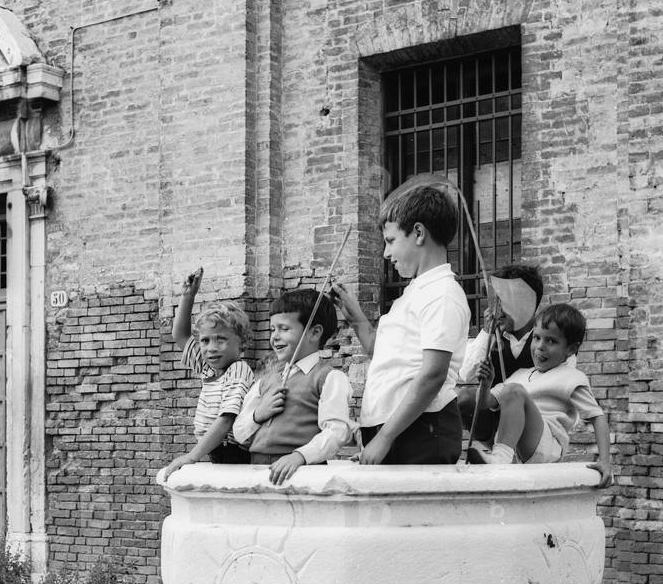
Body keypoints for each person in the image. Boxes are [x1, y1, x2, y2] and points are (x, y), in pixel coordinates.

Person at [330, 181, 469, 465]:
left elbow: (433, 375)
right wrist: (354, 314)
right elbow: (379, 352)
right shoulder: (413, 293)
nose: (385, 253)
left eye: (391, 240)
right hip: (397, 429)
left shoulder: (441, 293)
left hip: (421, 429)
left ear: (418, 233)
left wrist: (385, 437)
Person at [466, 302, 612, 486]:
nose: (540, 347)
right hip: (522, 446)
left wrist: (605, 461)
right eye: (536, 338)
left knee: (514, 392)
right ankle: (501, 456)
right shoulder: (520, 376)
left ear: (571, 349)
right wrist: (486, 385)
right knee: (505, 392)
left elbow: (597, 416)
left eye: (551, 341)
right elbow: (486, 403)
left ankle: (500, 458)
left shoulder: (572, 377)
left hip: (547, 445)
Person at [233, 288, 353, 485]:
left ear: (314, 333)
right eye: (273, 329)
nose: (275, 337)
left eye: (284, 329)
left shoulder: (329, 377)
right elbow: (239, 432)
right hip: (258, 471)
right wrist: (258, 415)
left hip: (301, 475)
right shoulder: (265, 381)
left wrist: (299, 456)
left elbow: (337, 431)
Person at [160, 268, 254, 481]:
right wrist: (187, 296)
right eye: (205, 340)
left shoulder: (238, 370)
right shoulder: (208, 368)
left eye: (221, 339)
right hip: (216, 450)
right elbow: (180, 336)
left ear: (242, 344)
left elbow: (226, 420)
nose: (211, 347)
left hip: (234, 452)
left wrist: (191, 457)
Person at [458, 264, 544, 444]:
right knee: (465, 398)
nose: (495, 309)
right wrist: (487, 332)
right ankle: (494, 447)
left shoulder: (545, 337)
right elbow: (467, 374)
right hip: (495, 418)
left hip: (534, 420)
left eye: (502, 302)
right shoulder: (493, 337)